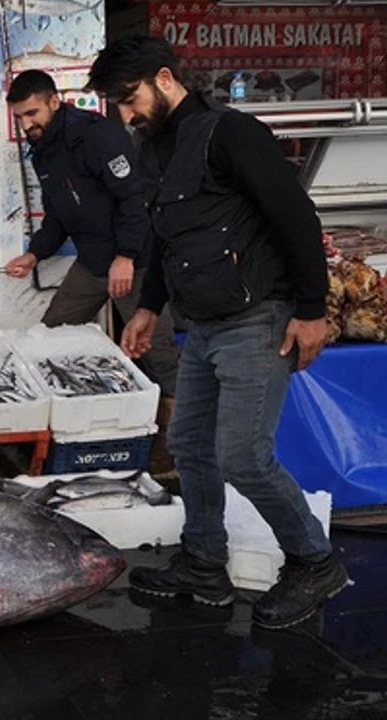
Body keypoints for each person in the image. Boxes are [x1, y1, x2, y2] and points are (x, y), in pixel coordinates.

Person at [88, 36, 347, 629]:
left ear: (164, 78)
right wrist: (151, 307)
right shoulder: (153, 146)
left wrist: (312, 310)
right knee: (190, 447)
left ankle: (314, 560)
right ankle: (204, 561)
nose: (125, 115)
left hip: (259, 319)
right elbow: (164, 233)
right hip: (201, 326)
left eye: (129, 99)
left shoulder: (231, 133)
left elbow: (297, 218)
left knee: (243, 457)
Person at [3, 70, 180, 400]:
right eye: (19, 117)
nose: (26, 125)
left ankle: (182, 437)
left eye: (32, 113)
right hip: (92, 263)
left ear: (54, 101)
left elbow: (134, 199)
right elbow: (58, 216)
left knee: (159, 354)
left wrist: (125, 257)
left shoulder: (97, 136)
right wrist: (34, 255)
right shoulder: (43, 149)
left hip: (135, 264)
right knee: (48, 338)